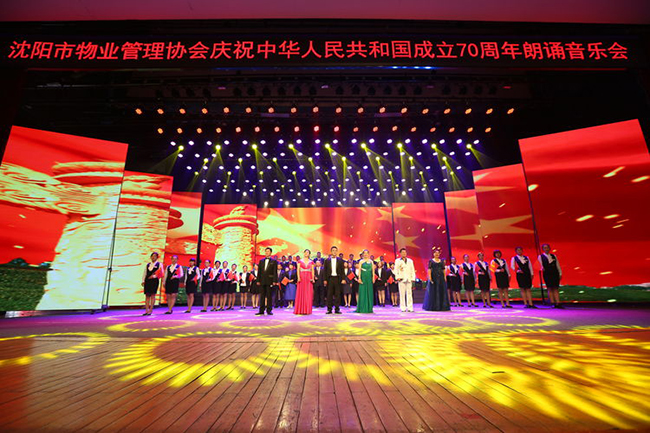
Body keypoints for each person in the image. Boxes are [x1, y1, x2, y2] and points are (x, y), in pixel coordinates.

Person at [538, 243, 563, 308]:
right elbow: (540, 265)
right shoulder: (540, 257)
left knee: (555, 288)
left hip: (555, 273)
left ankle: (558, 303)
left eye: (547, 247)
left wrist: (560, 273)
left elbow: (557, 265)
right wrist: (541, 268)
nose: (546, 249)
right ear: (543, 249)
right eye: (545, 248)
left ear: (549, 248)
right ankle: (552, 302)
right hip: (547, 273)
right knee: (550, 288)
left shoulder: (554, 256)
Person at [256, 247, 279, 316]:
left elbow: (275, 272)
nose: (266, 252)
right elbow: (259, 272)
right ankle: (261, 310)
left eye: (268, 251)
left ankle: (269, 310)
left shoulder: (274, 261)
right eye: (266, 251)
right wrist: (258, 280)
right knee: (262, 296)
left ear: (270, 253)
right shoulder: (261, 261)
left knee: (269, 296)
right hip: (262, 280)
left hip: (270, 280)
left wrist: (274, 281)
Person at [323, 246, 345, 314]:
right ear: (331, 251)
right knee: (329, 294)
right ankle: (329, 309)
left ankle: (337, 309)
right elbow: (325, 271)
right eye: (333, 250)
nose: (334, 252)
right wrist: (325, 280)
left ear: (337, 251)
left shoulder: (340, 260)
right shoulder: (327, 260)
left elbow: (342, 271)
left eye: (335, 250)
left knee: (337, 294)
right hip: (330, 279)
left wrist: (343, 279)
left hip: (337, 279)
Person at [395, 247, 416, 312]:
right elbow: (396, 270)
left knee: (409, 293)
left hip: (408, 279)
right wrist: (397, 277)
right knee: (402, 294)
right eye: (402, 252)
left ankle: (410, 307)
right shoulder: (397, 261)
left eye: (405, 252)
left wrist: (413, 278)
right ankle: (403, 308)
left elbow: (412, 269)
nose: (404, 253)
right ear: (400, 253)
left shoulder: (410, 261)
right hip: (401, 279)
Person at [295, 249, 315, 315]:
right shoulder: (300, 261)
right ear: (303, 253)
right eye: (305, 252)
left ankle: (307, 309)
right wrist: (298, 278)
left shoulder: (311, 262)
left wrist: (313, 278)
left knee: (308, 294)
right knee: (301, 293)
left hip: (308, 278)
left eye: (308, 252)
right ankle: (300, 309)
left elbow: (312, 271)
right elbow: (298, 270)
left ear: (309, 254)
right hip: (301, 278)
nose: (306, 253)